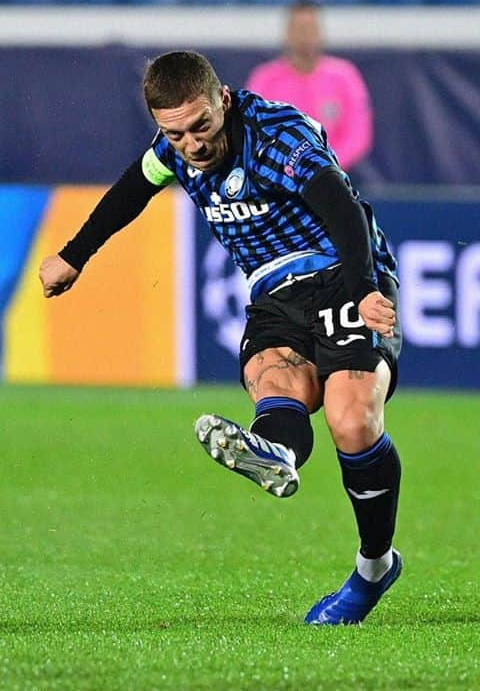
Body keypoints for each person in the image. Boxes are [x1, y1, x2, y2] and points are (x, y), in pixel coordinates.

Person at [39, 51, 405, 626]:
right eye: (176, 133)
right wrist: (74, 254)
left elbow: (342, 208)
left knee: (352, 421)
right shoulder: (174, 148)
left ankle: (374, 567)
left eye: (202, 127)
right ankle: (277, 454)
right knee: (277, 385)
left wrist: (363, 288)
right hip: (273, 292)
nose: (193, 145)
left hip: (340, 271)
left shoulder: (278, 136)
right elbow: (134, 188)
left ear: (223, 101)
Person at [246, 0, 374, 176]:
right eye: (299, 29)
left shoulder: (345, 76)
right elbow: (253, 131)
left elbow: (358, 137)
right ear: (287, 33)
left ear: (321, 32)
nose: (305, 36)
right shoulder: (265, 79)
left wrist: (322, 165)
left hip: (334, 178)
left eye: (310, 28)